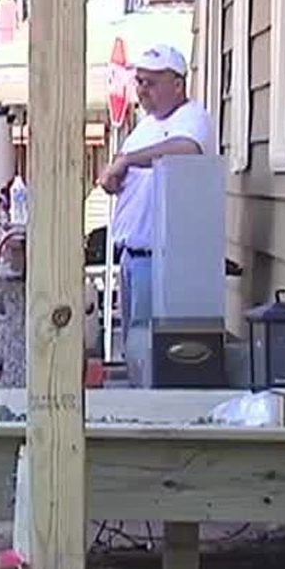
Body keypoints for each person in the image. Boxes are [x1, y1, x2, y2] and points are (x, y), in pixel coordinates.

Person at [97, 44, 215, 346]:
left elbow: (187, 149)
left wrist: (128, 160)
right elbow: (119, 167)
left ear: (177, 84)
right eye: (139, 81)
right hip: (131, 256)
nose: (142, 90)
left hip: (162, 260)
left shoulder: (193, 117)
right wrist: (113, 174)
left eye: (151, 82)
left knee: (152, 349)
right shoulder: (146, 126)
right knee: (134, 349)